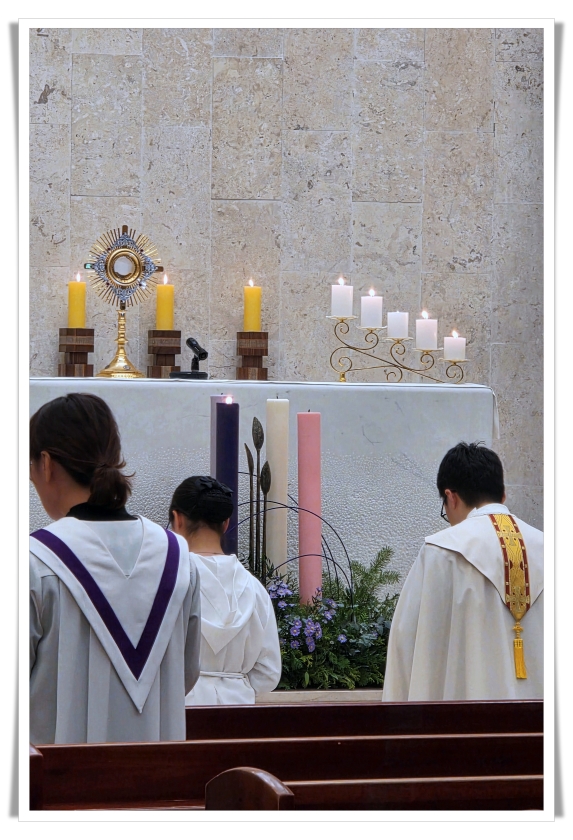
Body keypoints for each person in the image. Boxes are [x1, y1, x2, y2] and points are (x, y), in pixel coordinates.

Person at [29, 393, 201, 744]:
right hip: (160, 771)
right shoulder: (178, 557)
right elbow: (185, 675)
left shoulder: (33, 561)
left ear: (45, 464)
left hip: (55, 774)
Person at [383, 442, 543, 702]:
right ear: (502, 496)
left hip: (465, 720)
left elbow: (407, 642)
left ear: (451, 497)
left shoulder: (441, 552)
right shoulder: (551, 551)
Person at [169, 476, 282, 704]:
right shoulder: (253, 588)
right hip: (237, 709)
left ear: (177, 519)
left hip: (179, 705)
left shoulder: (168, 582)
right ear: (226, 523)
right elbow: (269, 671)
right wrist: (233, 686)